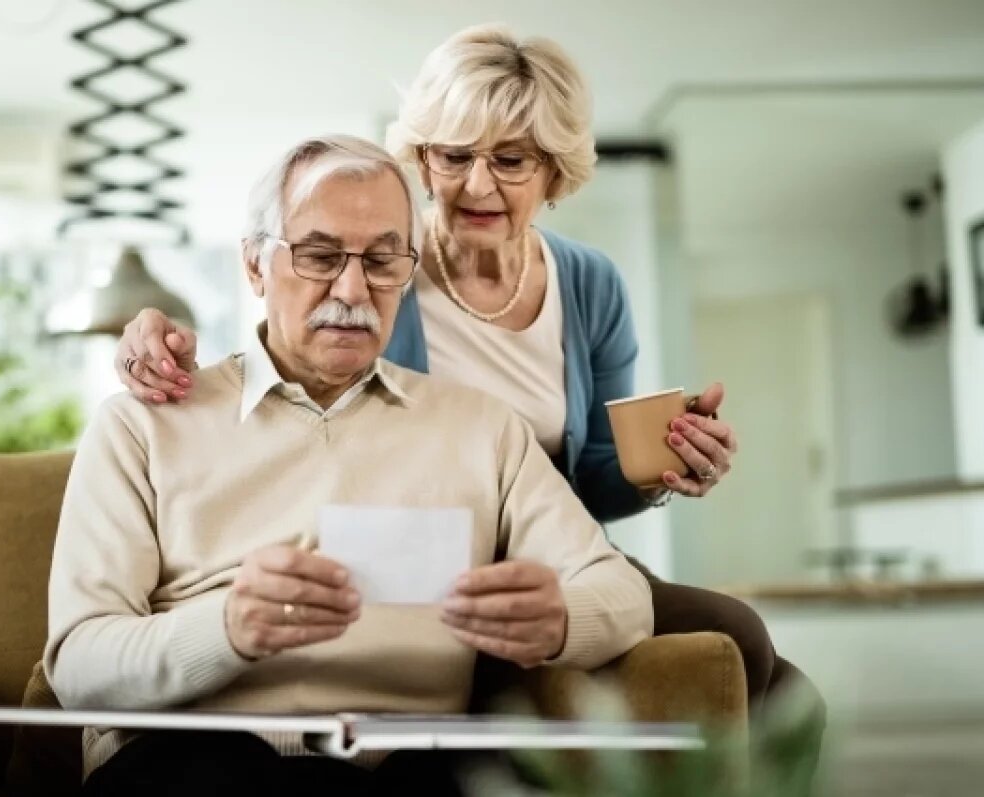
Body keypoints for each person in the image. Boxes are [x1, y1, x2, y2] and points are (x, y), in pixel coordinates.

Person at [112, 23, 825, 739]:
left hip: (545, 552)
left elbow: (597, 481)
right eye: (454, 156)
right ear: (422, 159)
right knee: (743, 647)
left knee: (770, 671)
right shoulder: (382, 265)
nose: (477, 185)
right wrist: (153, 336)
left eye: (511, 159)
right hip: (426, 559)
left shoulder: (589, 285)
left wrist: (662, 467)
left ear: (555, 170)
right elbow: (293, 366)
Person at [47, 134, 654, 797]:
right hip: (195, 760)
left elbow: (623, 595)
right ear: (254, 265)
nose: (353, 287)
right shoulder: (143, 422)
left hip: (406, 767)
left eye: (383, 260)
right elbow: (78, 664)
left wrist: (562, 618)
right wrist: (226, 627)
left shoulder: (482, 428)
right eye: (319, 255)